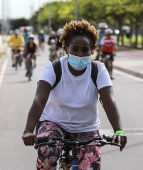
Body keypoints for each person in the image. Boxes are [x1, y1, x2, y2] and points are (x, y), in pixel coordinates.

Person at [22, 20, 127, 170]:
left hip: (86, 126)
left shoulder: (98, 70)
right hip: (54, 123)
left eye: (85, 50)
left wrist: (119, 131)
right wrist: (28, 130)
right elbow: (39, 100)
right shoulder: (54, 68)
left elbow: (109, 100)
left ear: (92, 51)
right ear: (66, 48)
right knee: (48, 154)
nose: (80, 54)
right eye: (75, 49)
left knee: (91, 165)